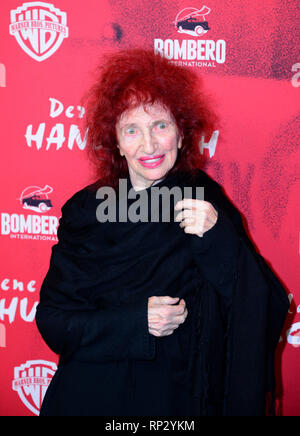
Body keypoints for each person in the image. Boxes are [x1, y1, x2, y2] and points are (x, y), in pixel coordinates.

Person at [35, 48, 289, 416]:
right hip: (93, 393)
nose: (149, 145)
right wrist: (134, 322)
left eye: (161, 126)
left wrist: (219, 239)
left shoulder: (204, 200)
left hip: (175, 397)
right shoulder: (84, 211)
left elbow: (262, 302)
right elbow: (54, 322)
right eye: (132, 129)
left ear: (182, 134)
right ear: (116, 142)